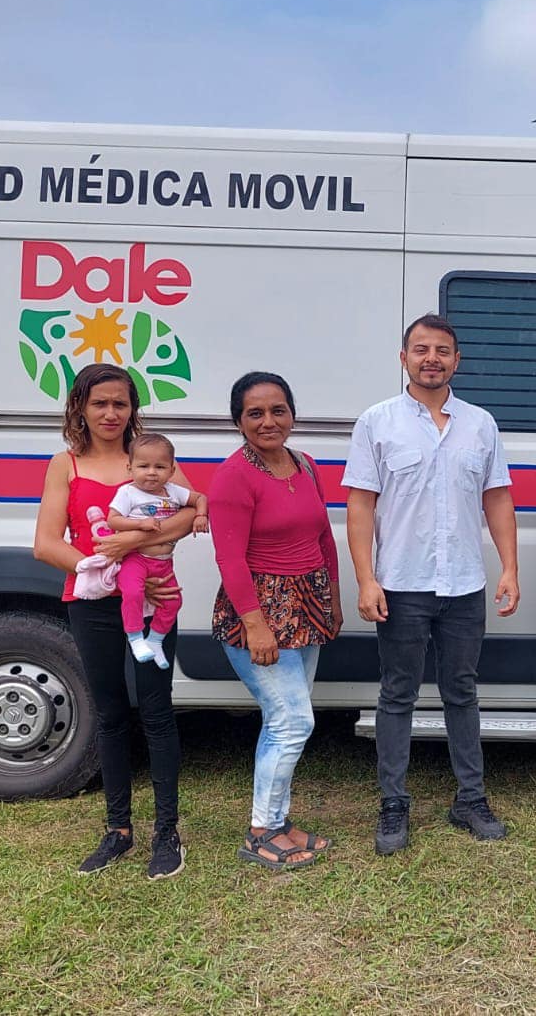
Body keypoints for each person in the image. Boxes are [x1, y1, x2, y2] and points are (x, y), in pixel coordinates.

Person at [343, 314, 519, 855]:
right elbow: (360, 505)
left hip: (464, 585)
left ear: (456, 361)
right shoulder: (377, 422)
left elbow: (497, 498)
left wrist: (510, 568)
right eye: (421, 350)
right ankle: (394, 804)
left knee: (461, 692)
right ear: (404, 358)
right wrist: (367, 579)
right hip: (401, 584)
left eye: (442, 351)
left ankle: (470, 799)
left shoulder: (480, 424)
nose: (431, 359)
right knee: (397, 694)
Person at [33, 363, 196, 879]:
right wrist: (103, 568)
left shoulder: (150, 456)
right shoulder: (65, 464)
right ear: (80, 407)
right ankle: (118, 829)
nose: (110, 413)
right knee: (109, 714)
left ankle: (166, 831)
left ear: (132, 409)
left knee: (157, 711)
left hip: (154, 598)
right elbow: (46, 544)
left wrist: (129, 542)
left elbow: (190, 513)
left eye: (120, 403)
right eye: (99, 403)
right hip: (92, 601)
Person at [210, 372, 342, 870]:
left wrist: (331, 598)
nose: (269, 421)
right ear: (238, 422)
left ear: (292, 414)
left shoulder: (305, 464)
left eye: (278, 410)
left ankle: (279, 823)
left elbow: (323, 536)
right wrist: (255, 625)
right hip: (259, 612)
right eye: (255, 413)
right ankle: (261, 831)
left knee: (283, 719)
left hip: (305, 608)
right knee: (293, 722)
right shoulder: (233, 476)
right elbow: (229, 559)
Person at [106, 432, 209, 670]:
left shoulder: (173, 491)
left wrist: (201, 515)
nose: (152, 472)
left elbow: (200, 498)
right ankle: (135, 638)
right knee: (132, 593)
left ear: (171, 471)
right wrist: (139, 524)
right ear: (130, 468)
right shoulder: (128, 493)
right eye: (144, 466)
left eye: (160, 467)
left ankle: (155, 640)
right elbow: (113, 520)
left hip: (163, 562)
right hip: (136, 559)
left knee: (174, 602)